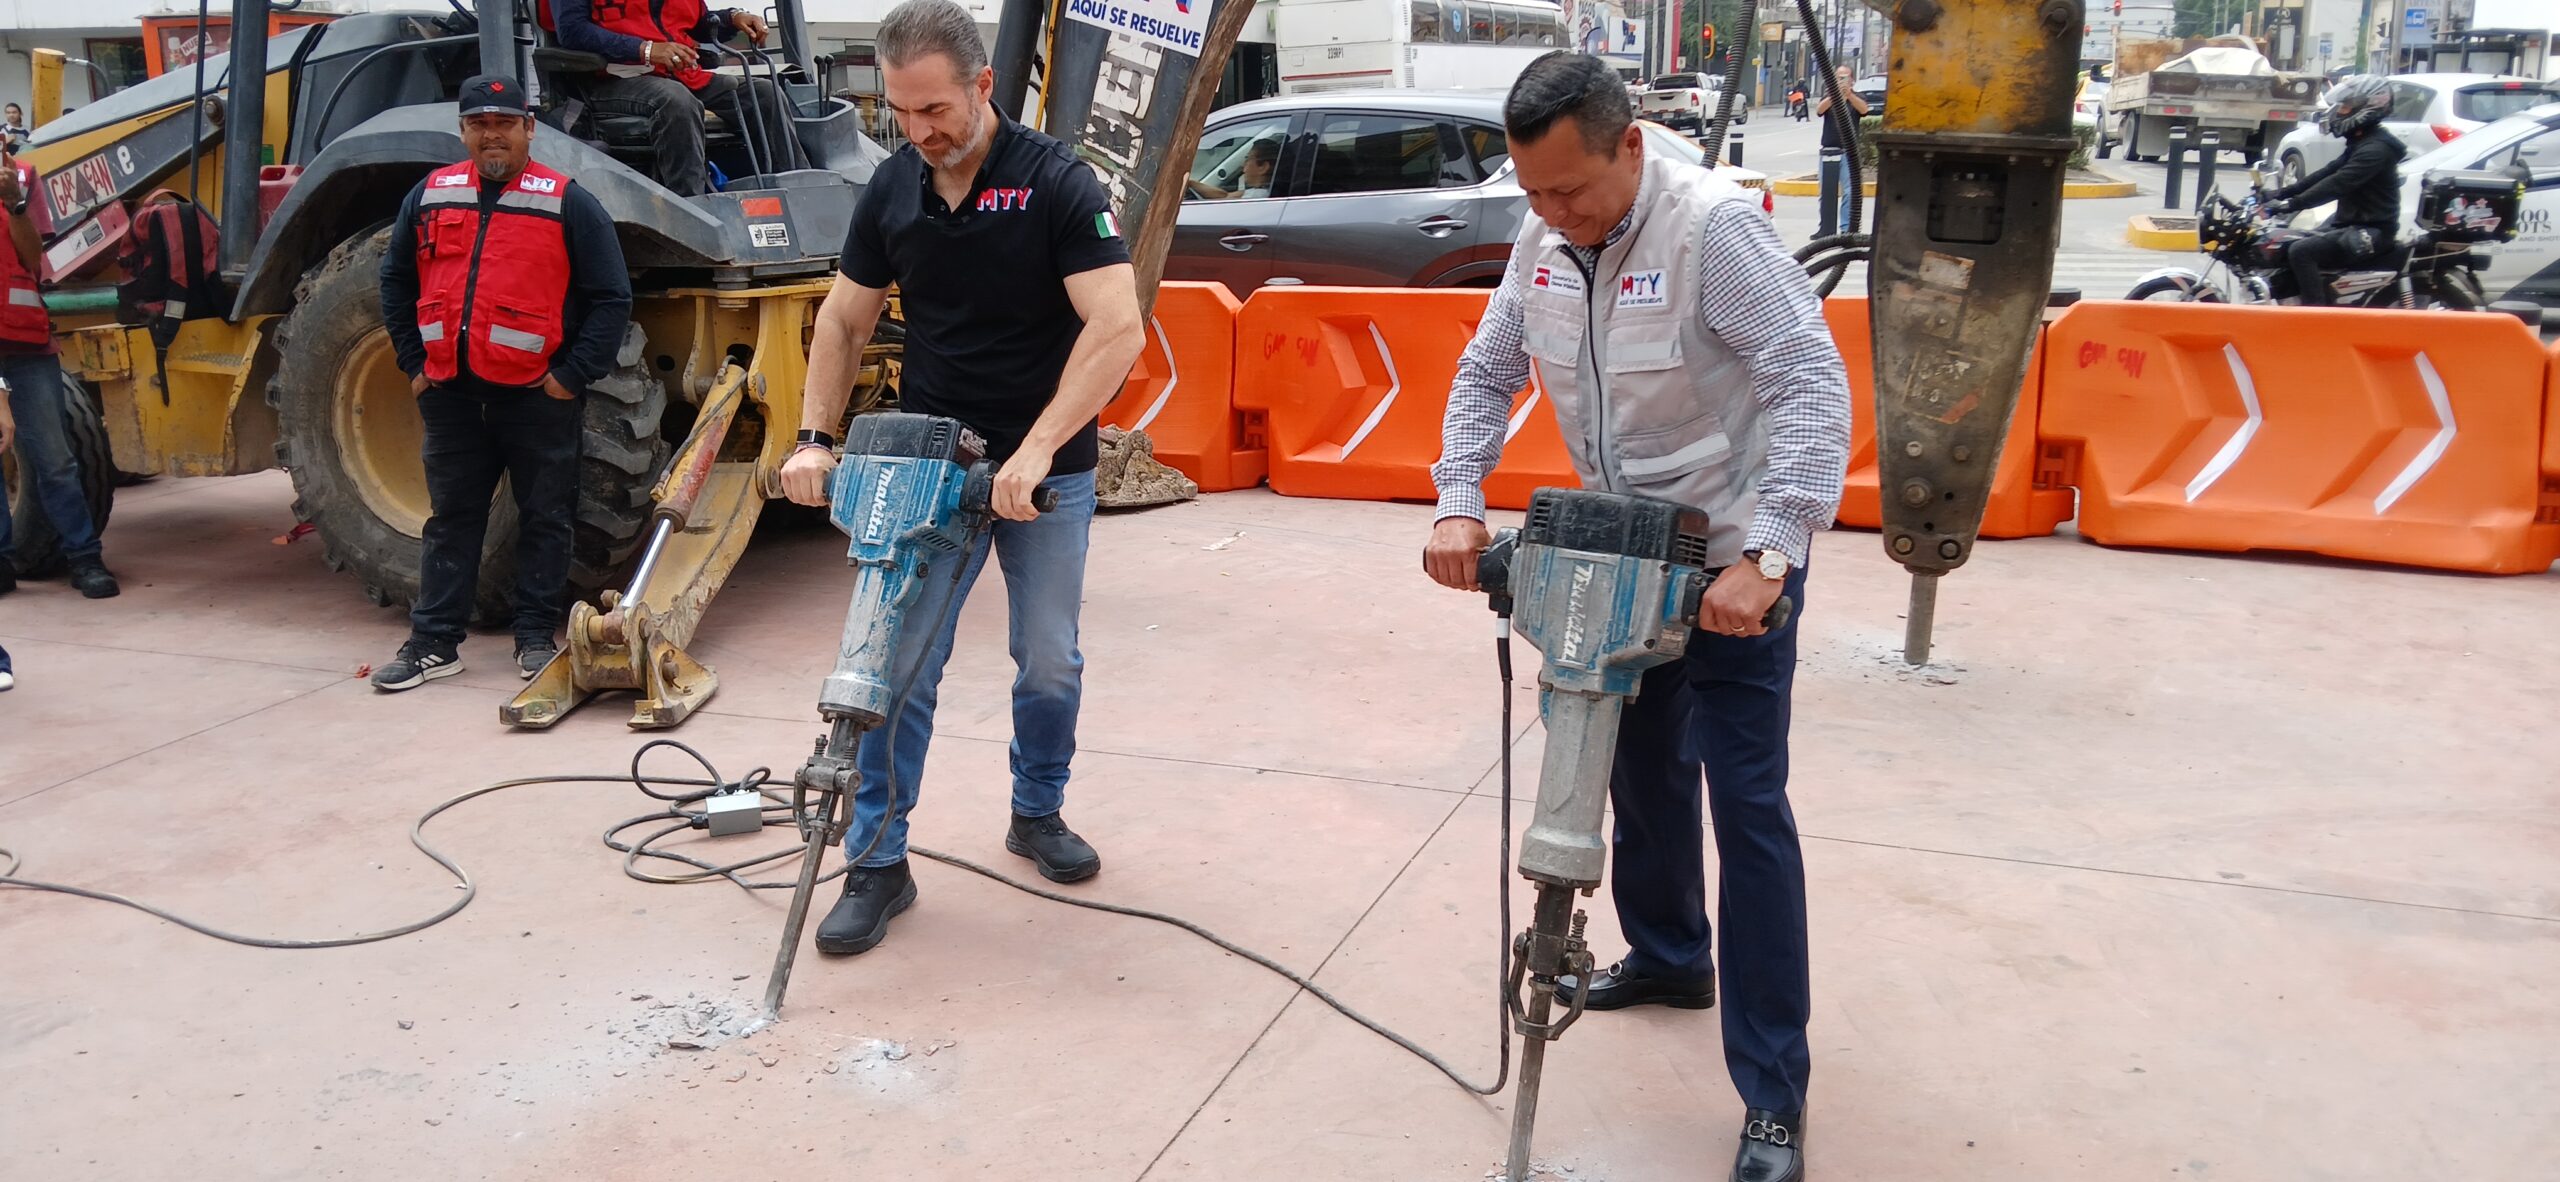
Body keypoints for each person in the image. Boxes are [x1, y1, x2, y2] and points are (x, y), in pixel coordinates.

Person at [1422, 52, 1849, 1182]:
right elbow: (1485, 374)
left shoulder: (1714, 232)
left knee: (1746, 808)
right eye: (1533, 192)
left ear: (1629, 145)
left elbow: (1809, 384)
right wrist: (1458, 501)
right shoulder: (1543, 237)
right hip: (1624, 557)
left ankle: (1773, 1094)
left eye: (1570, 189)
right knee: (1639, 776)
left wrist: (1771, 553)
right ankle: (1668, 955)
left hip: (1735, 564)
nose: (1553, 212)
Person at [777, 0, 1145, 958]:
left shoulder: (1058, 182)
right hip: (930, 468)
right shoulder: (892, 187)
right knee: (895, 667)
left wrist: (1037, 449)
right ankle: (877, 863)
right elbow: (843, 319)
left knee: (1049, 658)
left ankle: (1037, 809)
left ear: (984, 86)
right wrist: (814, 439)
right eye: (900, 112)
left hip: (1042, 472)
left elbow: (1118, 326)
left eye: (935, 109)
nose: (919, 130)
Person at [369, 75, 632, 691]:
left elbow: (612, 298)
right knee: (452, 519)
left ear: (529, 129)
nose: (493, 134)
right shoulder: (428, 196)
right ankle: (433, 644)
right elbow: (395, 281)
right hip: (451, 396)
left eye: (505, 123)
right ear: (462, 131)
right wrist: (414, 364)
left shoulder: (567, 201)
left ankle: (535, 639)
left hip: (537, 398)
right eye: (479, 123)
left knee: (546, 518)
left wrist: (570, 377)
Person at [0, 148, 119, 600]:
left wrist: (14, 204)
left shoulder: (22, 176)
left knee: (56, 459)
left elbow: (34, 259)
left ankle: (84, 558)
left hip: (27, 343)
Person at [555, 0, 807, 196]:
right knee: (677, 102)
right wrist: (645, 49)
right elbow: (572, 31)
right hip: (612, 78)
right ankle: (692, 209)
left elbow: (697, 24)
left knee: (765, 94)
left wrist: (732, 18)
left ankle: (801, 194)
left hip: (680, 74)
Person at [2261, 74, 2405, 307]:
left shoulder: (2376, 149)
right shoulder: (2364, 142)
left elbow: (2338, 183)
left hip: (2373, 231)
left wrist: (2293, 204)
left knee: (2301, 251)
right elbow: (2328, 172)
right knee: (2291, 238)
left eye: (2346, 107)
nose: (2339, 112)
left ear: (2369, 106)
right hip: (2353, 223)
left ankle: (2316, 316)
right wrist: (2281, 194)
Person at [1812, 65, 1868, 238]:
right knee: (1826, 192)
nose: (1841, 80)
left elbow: (1864, 110)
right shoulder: (1829, 96)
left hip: (1848, 152)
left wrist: (1849, 95)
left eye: (1845, 77)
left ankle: (1846, 228)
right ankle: (1826, 228)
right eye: (1838, 77)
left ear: (1852, 80)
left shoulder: (1857, 97)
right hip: (1829, 151)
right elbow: (1819, 110)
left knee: (1850, 191)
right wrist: (1834, 94)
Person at [1185, 137, 1278, 200]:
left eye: (1248, 159)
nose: (1243, 165)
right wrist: (1191, 183)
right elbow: (1224, 196)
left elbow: (1224, 199)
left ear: (1263, 167)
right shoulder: (1261, 192)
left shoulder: (1256, 197)